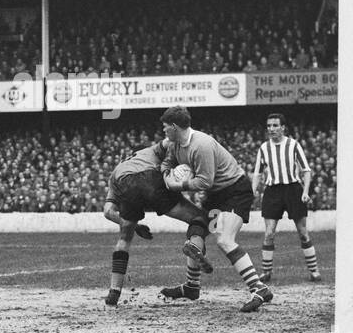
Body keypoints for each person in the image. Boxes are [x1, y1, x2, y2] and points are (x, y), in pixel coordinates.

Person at [157, 105, 274, 312]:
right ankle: (192, 287)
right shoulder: (175, 144)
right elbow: (166, 163)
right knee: (196, 231)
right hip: (216, 197)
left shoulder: (200, 145)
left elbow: (204, 182)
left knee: (224, 239)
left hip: (235, 193)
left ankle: (259, 288)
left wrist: (178, 185)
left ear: (175, 126)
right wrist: (168, 175)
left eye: (165, 127)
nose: (163, 131)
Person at [102, 136, 213, 306]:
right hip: (151, 180)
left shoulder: (116, 171)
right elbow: (171, 141)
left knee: (124, 239)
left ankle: (114, 292)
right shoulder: (150, 151)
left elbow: (108, 212)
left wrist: (136, 226)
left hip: (125, 185)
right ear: (141, 151)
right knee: (199, 218)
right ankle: (193, 279)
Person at [252, 112, 320, 283]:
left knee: (303, 233)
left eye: (275, 125)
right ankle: (266, 273)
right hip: (272, 191)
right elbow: (257, 173)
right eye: (269, 126)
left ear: (283, 127)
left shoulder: (293, 145)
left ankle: (314, 271)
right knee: (269, 233)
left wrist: (305, 192)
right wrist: (252, 190)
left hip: (293, 190)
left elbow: (306, 170)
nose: (271, 129)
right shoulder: (263, 148)